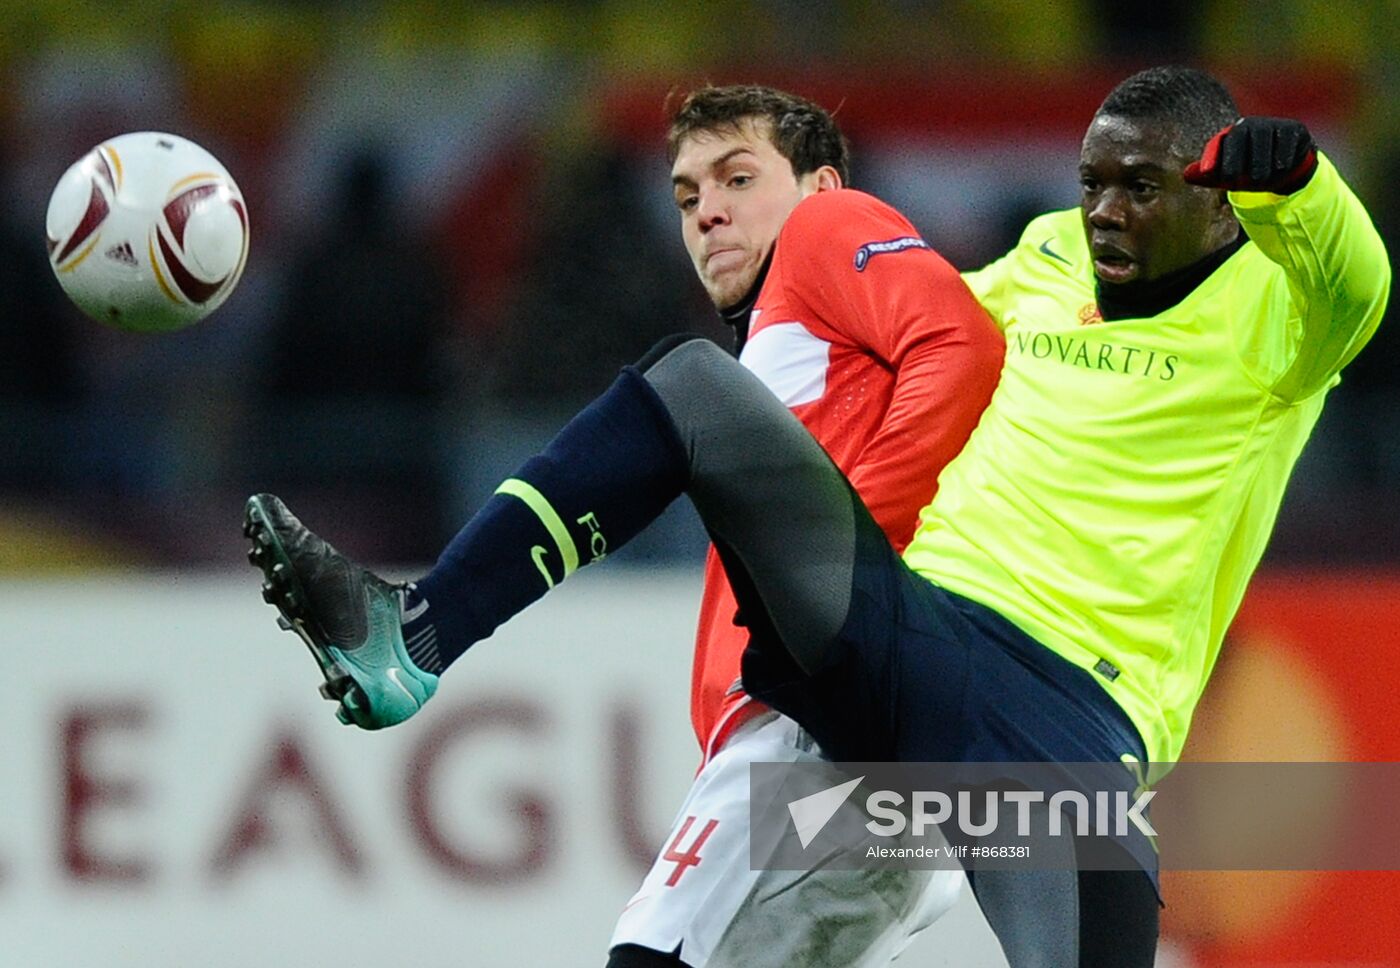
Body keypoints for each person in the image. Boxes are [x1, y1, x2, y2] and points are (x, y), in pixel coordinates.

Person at [244, 66, 1390, 967]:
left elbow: (1357, 279)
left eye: (1136, 186)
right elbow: (906, 336)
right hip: (912, 631)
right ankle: (414, 635)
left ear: (1217, 196)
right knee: (698, 387)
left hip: (1066, 723)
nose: (1098, 211)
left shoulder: (1284, 319)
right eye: (1089, 180)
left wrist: (1299, 184)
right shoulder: (1046, 256)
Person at [251, 83, 1003, 968]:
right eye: (687, 197)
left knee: (681, 388)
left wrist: (859, 562)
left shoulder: (829, 232)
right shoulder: (792, 353)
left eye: (736, 178)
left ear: (820, 186)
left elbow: (965, 347)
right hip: (847, 760)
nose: (708, 214)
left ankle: (415, 634)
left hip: (827, 738)